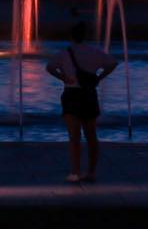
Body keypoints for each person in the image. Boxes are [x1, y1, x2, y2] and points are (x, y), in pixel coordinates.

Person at [45, 21, 118, 183]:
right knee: (91, 135)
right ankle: (91, 172)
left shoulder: (64, 53)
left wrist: (62, 77)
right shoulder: (95, 52)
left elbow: (49, 67)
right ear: (85, 36)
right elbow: (113, 63)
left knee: (74, 136)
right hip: (89, 94)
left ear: (71, 36)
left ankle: (75, 172)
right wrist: (99, 77)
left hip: (71, 93)